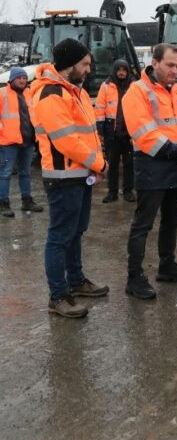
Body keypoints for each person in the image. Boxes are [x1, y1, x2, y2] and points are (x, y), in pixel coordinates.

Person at [31, 39, 109, 319]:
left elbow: (86, 133)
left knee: (75, 232)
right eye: (85, 63)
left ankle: (76, 281)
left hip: (79, 173)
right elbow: (67, 141)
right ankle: (58, 295)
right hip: (64, 176)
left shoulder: (71, 91)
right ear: (70, 64)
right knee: (60, 237)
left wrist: (94, 165)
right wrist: (99, 162)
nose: (88, 69)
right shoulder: (51, 93)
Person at [122, 43, 177, 299]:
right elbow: (143, 133)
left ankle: (167, 265)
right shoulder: (138, 92)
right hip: (153, 166)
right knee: (143, 224)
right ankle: (134, 278)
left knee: (172, 221)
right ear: (154, 62)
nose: (175, 70)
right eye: (170, 65)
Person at [0, 67, 43, 217]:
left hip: (28, 141)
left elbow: (34, 115)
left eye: (24, 78)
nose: (22, 80)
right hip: (8, 142)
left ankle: (27, 201)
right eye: (19, 78)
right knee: (5, 173)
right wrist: (3, 131)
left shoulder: (28, 93)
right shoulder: (2, 93)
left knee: (25, 173)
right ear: (12, 79)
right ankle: (3, 203)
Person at [95, 59, 135, 203]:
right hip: (112, 132)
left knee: (129, 164)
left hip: (130, 132)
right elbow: (100, 107)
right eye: (119, 70)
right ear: (114, 70)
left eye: (124, 70)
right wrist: (100, 129)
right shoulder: (105, 86)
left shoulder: (134, 86)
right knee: (112, 164)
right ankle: (112, 192)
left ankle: (128, 191)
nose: (121, 73)